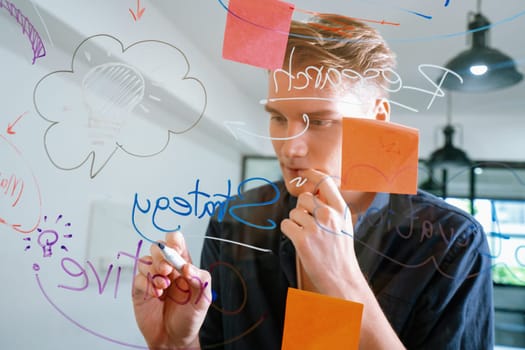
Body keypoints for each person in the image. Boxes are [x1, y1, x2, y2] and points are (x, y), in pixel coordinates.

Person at [132, 14, 494, 349]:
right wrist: (174, 343)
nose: (291, 147)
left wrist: (343, 280)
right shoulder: (234, 221)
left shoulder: (453, 243)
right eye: (277, 117)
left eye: (319, 121)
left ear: (378, 117)